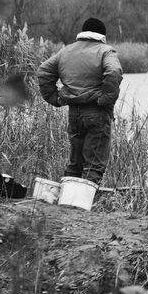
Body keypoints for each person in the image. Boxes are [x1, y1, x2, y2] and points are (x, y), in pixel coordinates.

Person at [37, 17, 123, 185]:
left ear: (83, 33)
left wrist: (54, 98)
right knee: (94, 165)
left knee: (75, 163)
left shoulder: (66, 51)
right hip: (96, 112)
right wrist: (105, 98)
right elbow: (114, 72)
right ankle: (84, 204)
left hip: (74, 114)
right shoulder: (105, 51)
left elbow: (43, 71)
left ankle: (67, 199)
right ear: (102, 35)